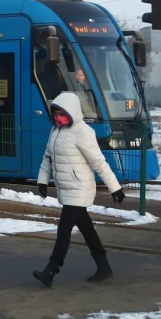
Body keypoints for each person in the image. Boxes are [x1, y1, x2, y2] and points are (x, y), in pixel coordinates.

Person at [33, 92, 125, 287]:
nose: (58, 118)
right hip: (66, 188)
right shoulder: (56, 131)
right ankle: (104, 267)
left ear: (72, 112)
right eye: (56, 113)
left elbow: (99, 162)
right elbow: (47, 157)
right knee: (87, 228)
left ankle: (51, 270)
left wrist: (114, 188)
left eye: (62, 114)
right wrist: (42, 180)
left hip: (80, 188)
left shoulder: (83, 132)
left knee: (64, 229)